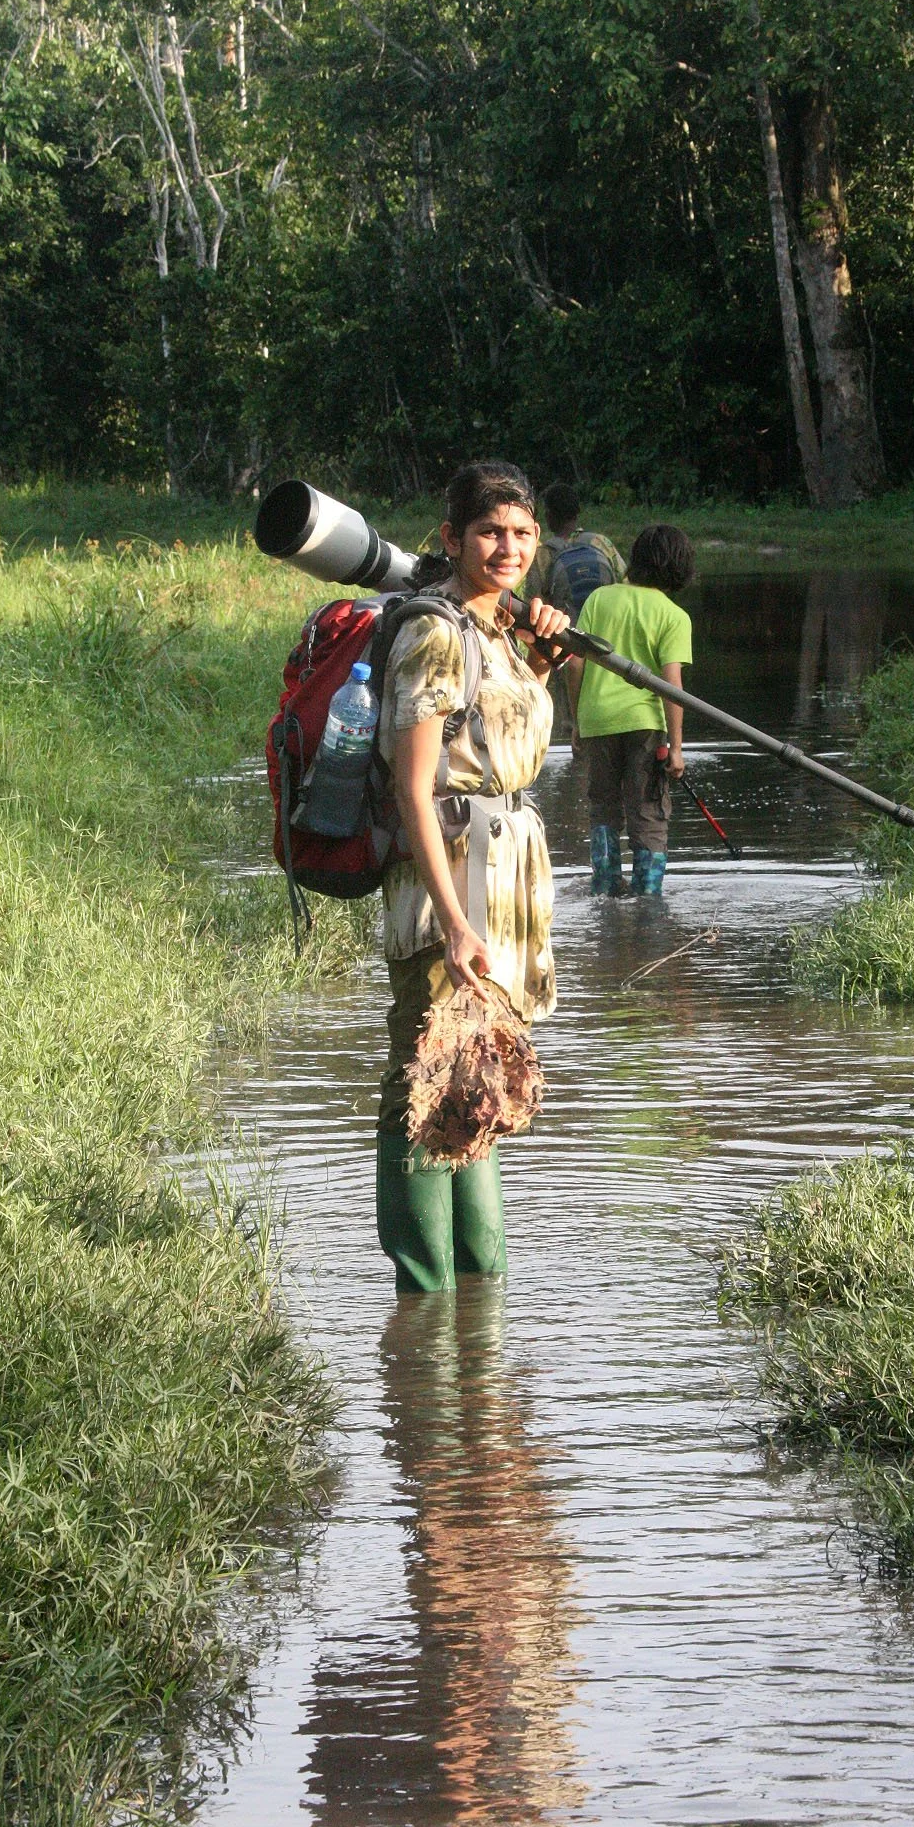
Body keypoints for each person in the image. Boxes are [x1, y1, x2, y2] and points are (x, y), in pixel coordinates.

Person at [375, 462, 570, 1292]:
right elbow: (414, 787)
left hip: (507, 883)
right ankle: (424, 1299)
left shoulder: (499, 629)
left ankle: (479, 1296)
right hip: (448, 887)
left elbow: (497, 745)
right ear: (452, 538)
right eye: (490, 532)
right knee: (424, 1077)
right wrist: (455, 925)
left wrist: (544, 661)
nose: (508, 548)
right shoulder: (434, 632)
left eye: (522, 533)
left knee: (478, 1077)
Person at [566, 523, 695, 897]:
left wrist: (577, 721)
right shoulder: (672, 615)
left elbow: (575, 664)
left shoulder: (599, 599)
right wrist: (676, 747)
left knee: (603, 809)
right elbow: (671, 686)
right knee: (648, 812)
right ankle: (647, 901)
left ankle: (605, 889)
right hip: (645, 725)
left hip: (597, 721)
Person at [532, 482, 626, 618]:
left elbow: (533, 598)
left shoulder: (541, 555)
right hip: (607, 621)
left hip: (565, 627)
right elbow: (626, 581)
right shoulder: (601, 542)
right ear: (577, 513)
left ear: (548, 515)